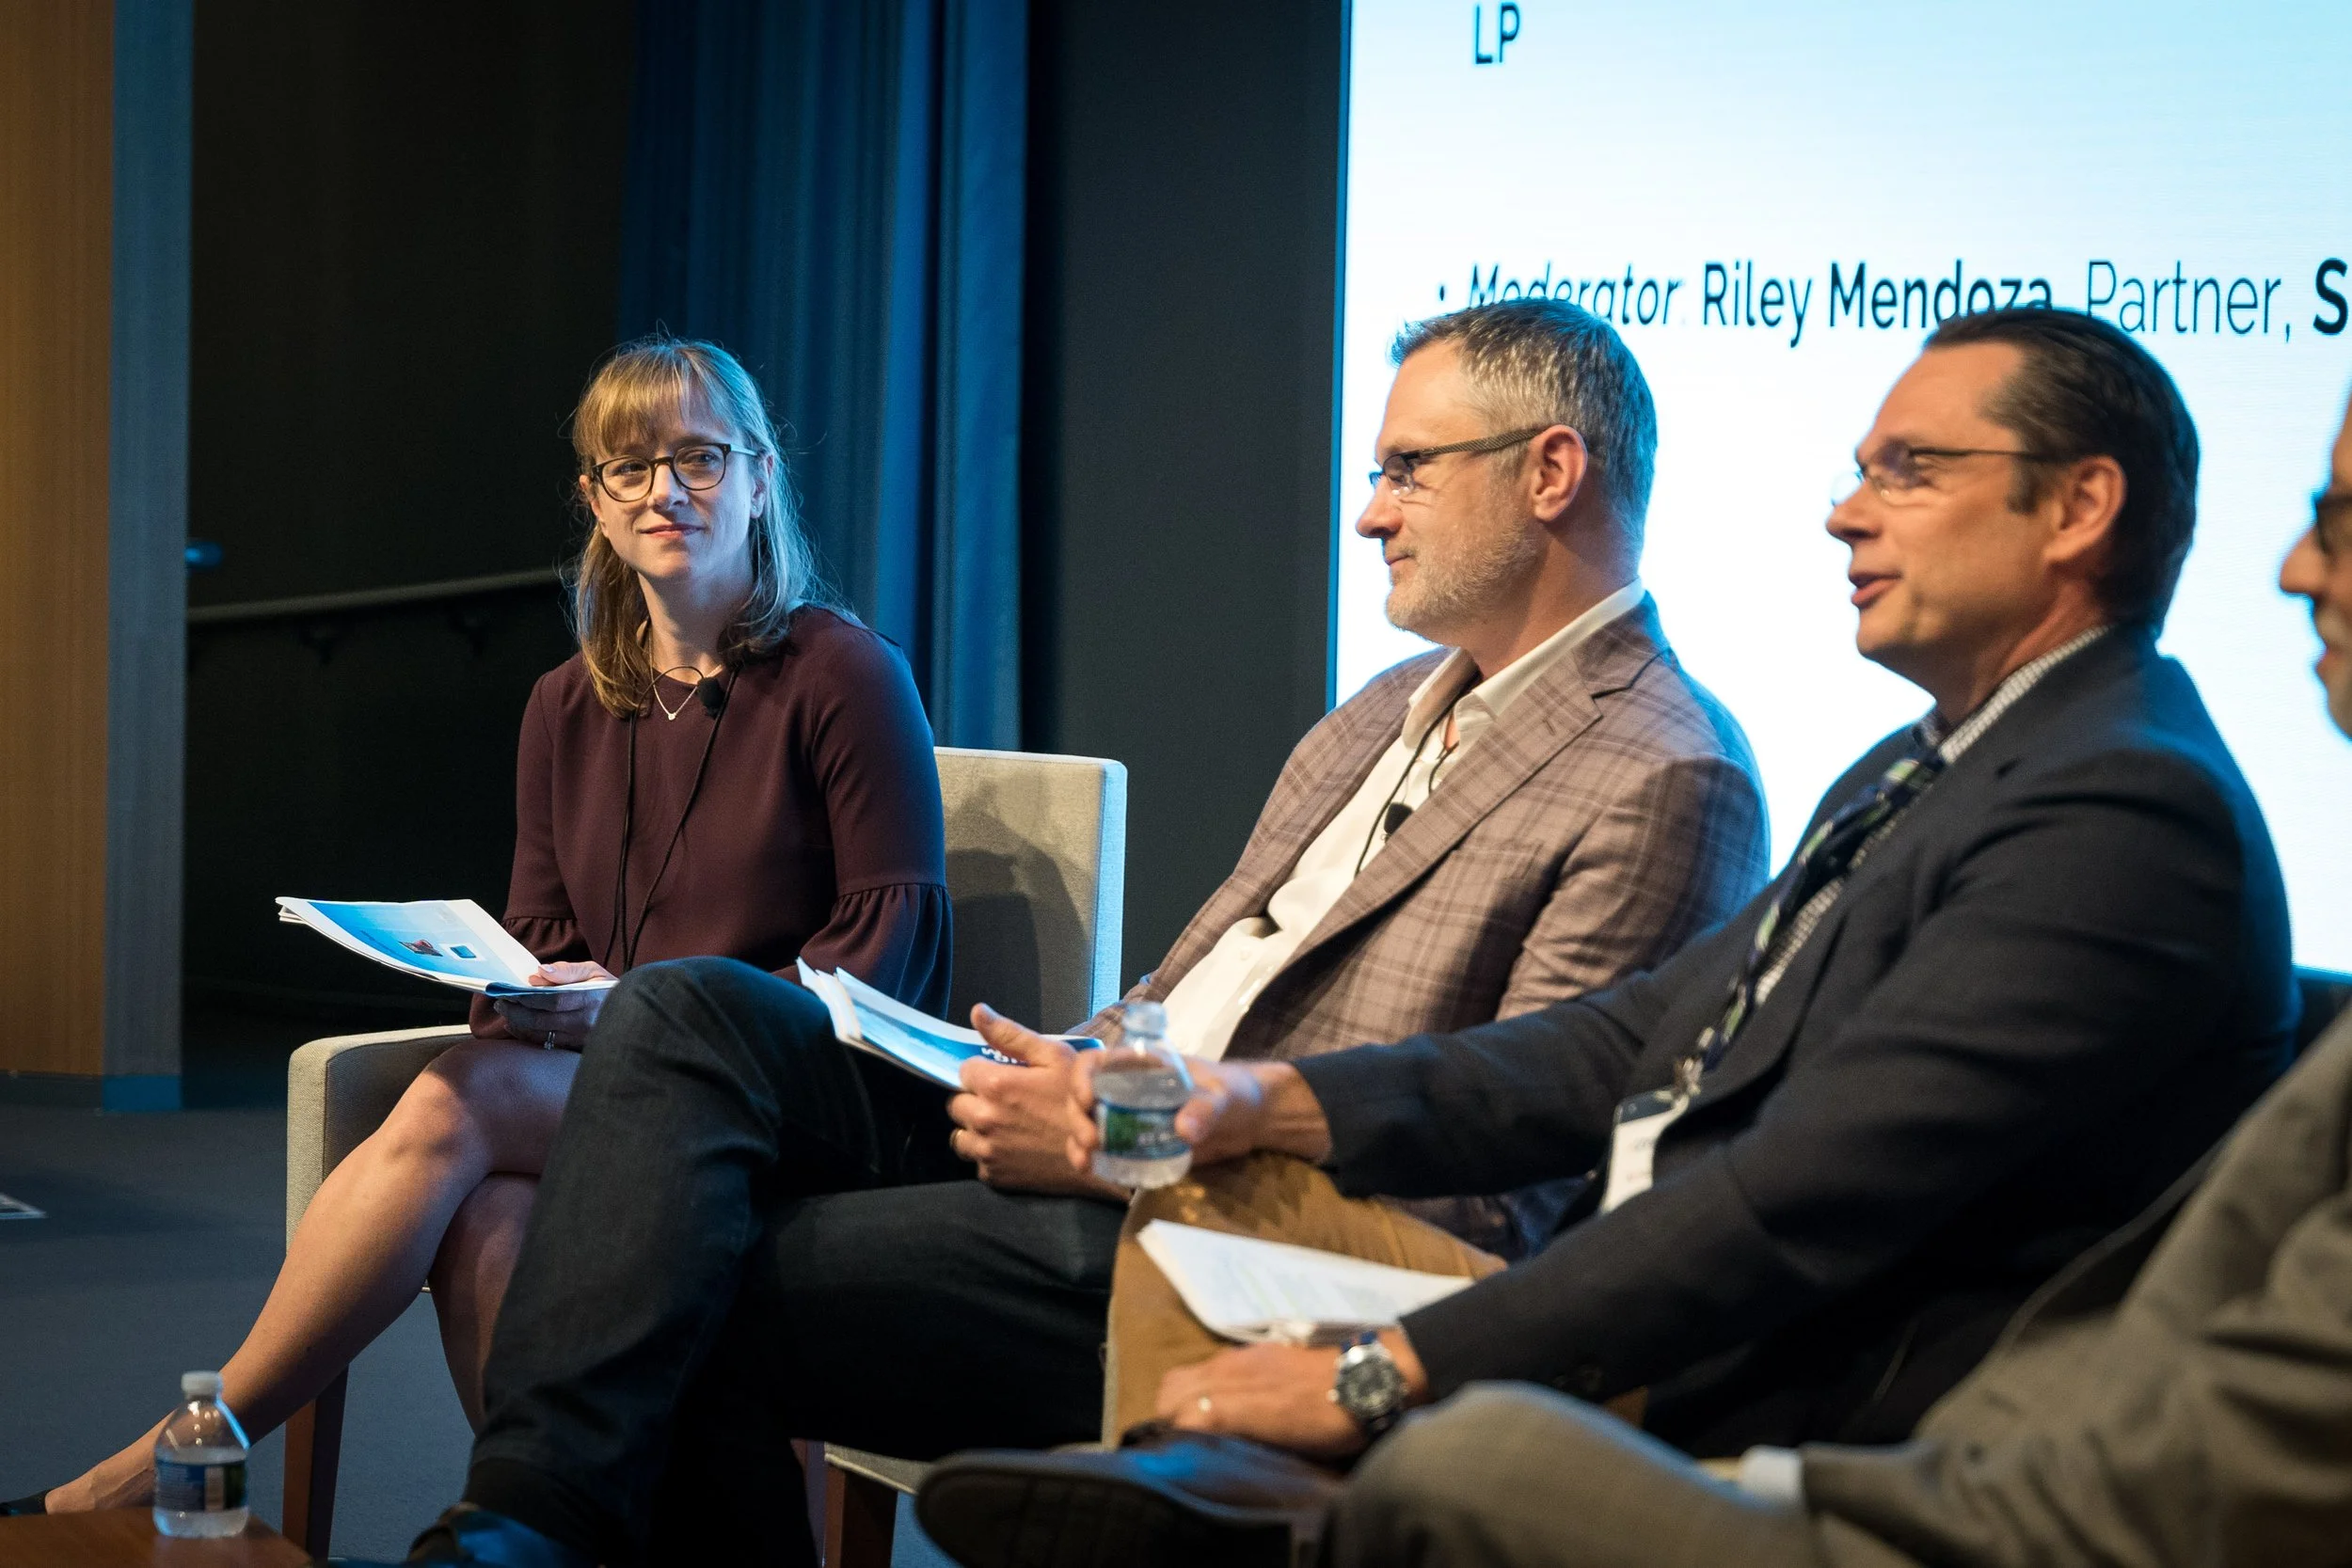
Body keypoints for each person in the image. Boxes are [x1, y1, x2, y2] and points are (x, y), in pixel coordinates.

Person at [360, 298, 1773, 1568]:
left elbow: (1488, 1202)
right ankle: (524, 1519)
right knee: (683, 1011)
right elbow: (1190, 984)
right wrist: (1073, 1057)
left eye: (1409, 468)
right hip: (1093, 1122)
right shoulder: (1380, 711)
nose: (1371, 511)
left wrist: (1124, 1134)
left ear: (1550, 469)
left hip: (1224, 1225)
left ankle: (521, 1526)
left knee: (679, 1270)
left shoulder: (1660, 772)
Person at [915, 377, 2352, 1568]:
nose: (1845, 508)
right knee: (1210, 1215)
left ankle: (1258, 1501)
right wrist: (1257, 1098)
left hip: (1828, 1412)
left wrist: (1383, 1369)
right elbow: (1623, 1045)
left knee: (1436, 1439)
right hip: (1665, 1320)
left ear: (2079, 509)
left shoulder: (2120, 806)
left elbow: (1799, 1197)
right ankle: (1228, 1493)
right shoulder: (1922, 762)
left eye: (1908, 469)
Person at [10, 337, 951, 1518]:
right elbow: (538, 924)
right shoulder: (566, 703)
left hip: (804, 1093)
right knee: (489, 1216)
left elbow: (887, 957)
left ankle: (171, 1454)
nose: (666, 491)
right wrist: (539, 984)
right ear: (593, 503)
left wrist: (650, 1006)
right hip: (616, 1082)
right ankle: (575, 1532)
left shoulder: (843, 672)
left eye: (701, 459)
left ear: (760, 478)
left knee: (467, 1096)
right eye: (631, 467)